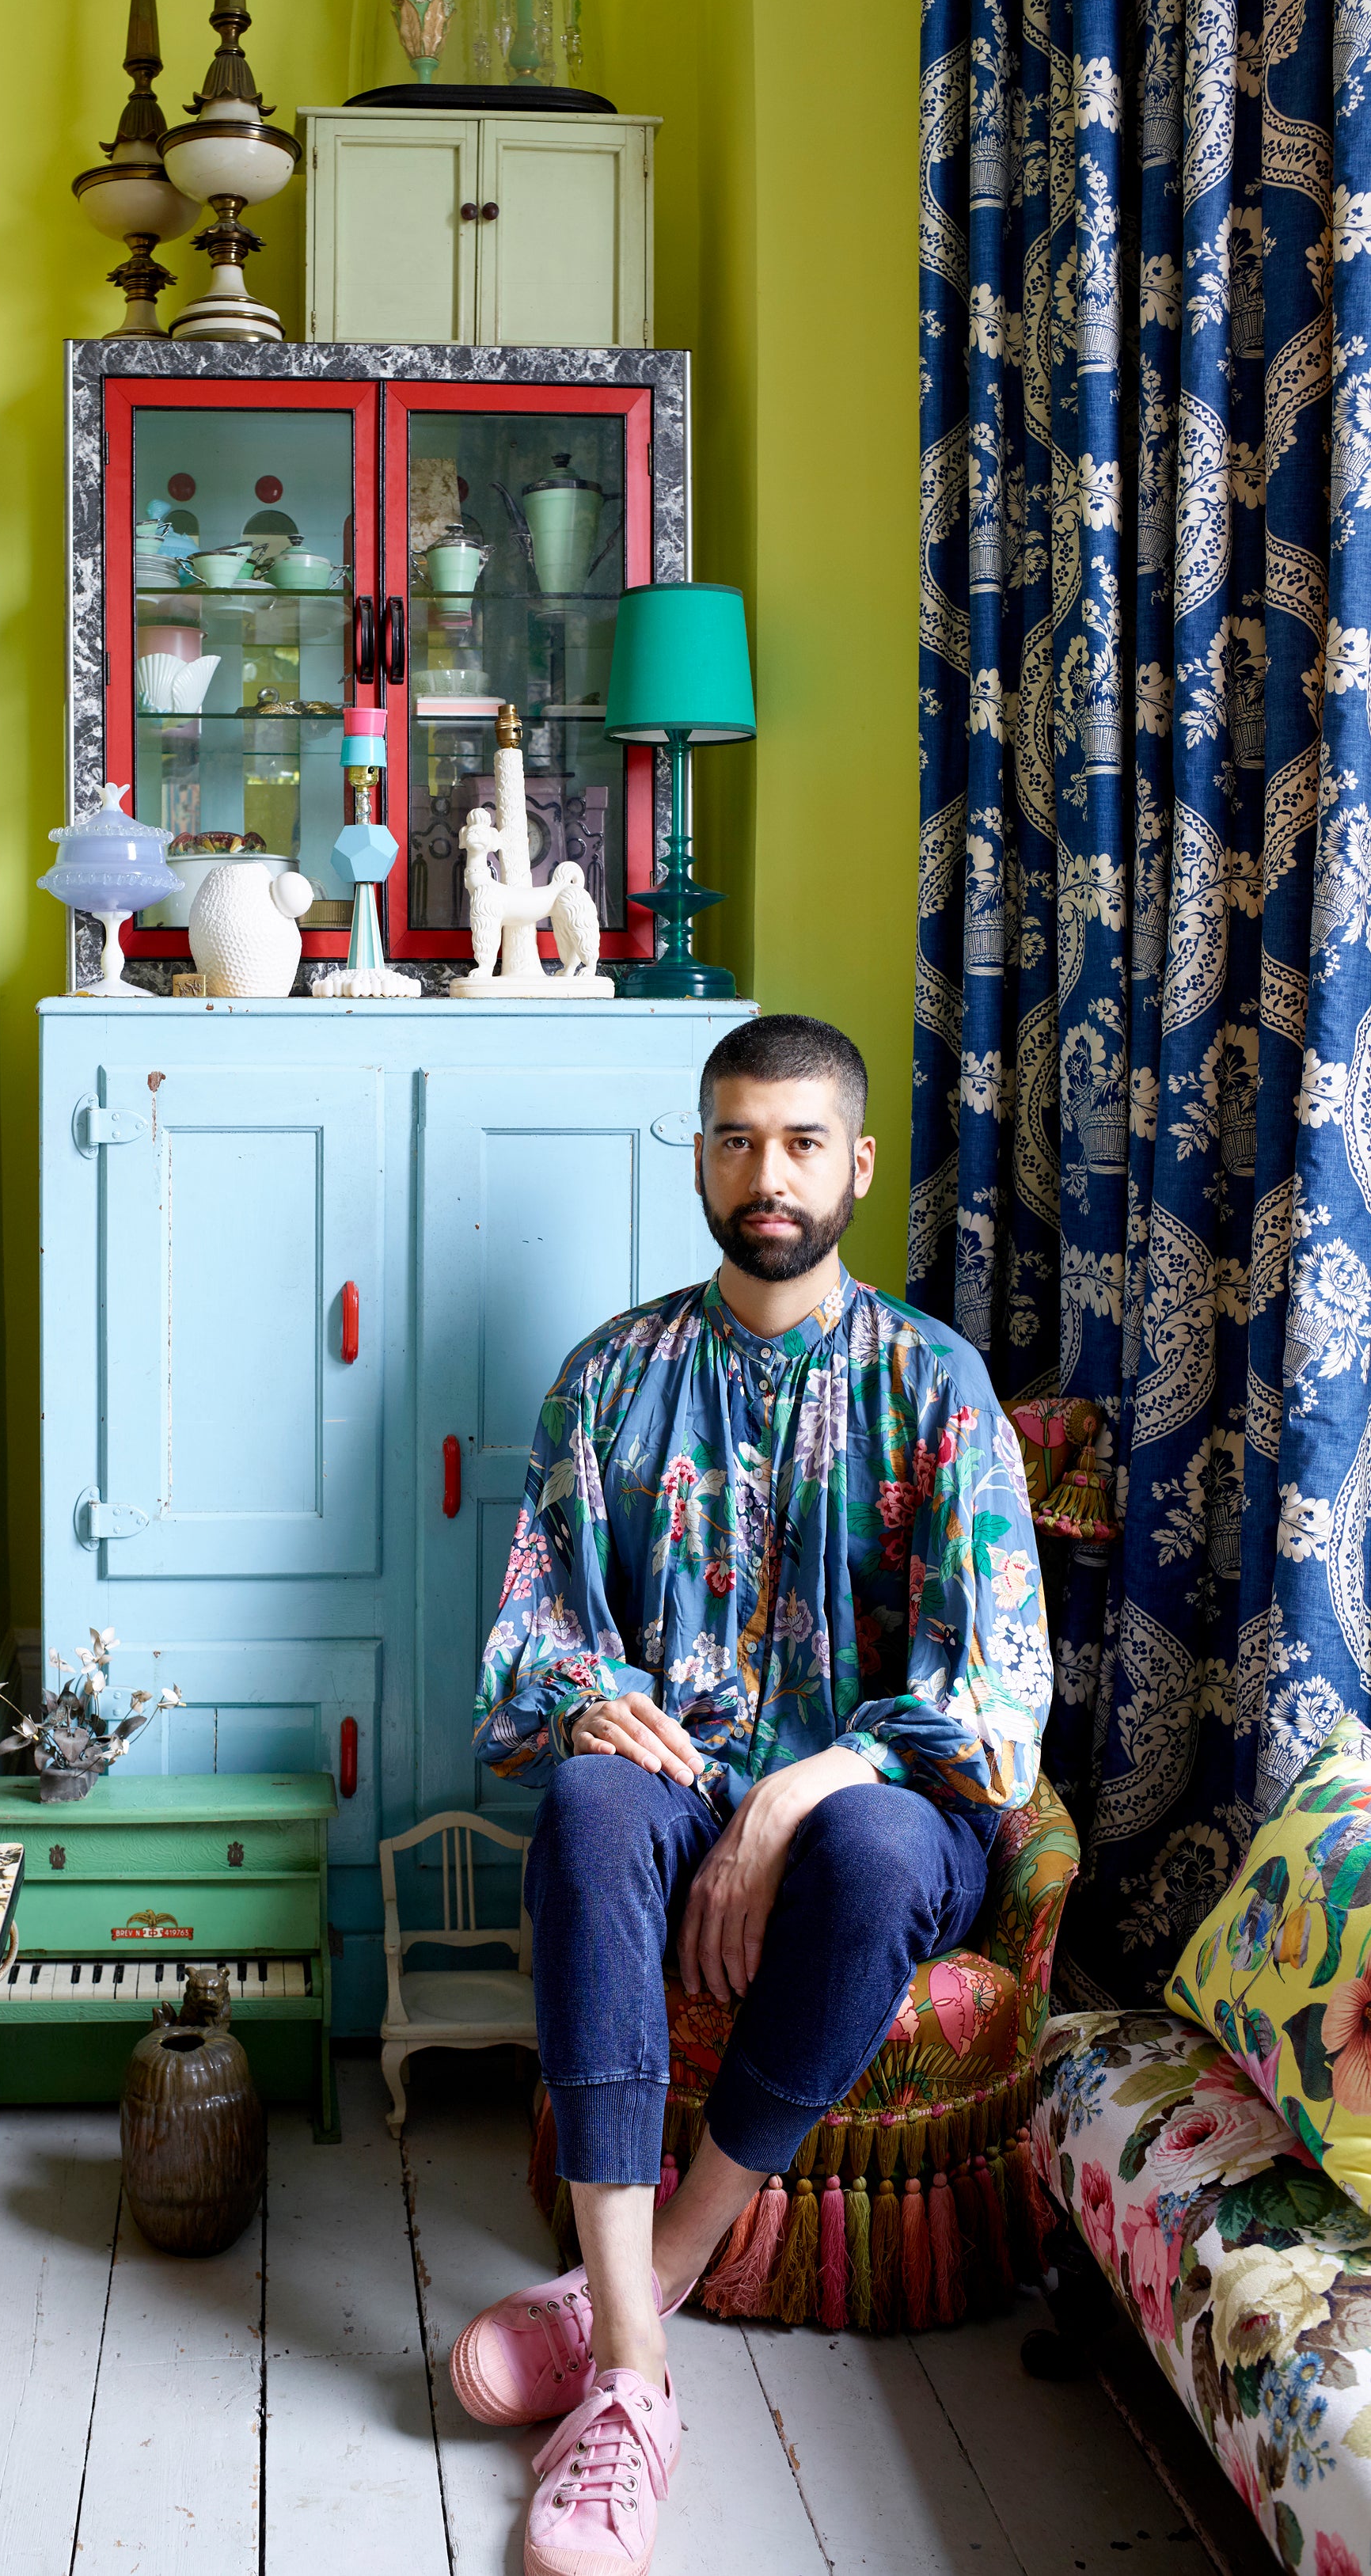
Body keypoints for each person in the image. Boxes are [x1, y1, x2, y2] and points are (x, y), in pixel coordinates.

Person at [454, 1013, 1050, 2576]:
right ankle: (632, 2372)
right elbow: (537, 1625)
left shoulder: (937, 1383)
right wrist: (584, 1695)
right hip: (680, 1775)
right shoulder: (610, 1377)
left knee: (868, 1853)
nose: (764, 1172)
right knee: (590, 1808)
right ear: (703, 1158)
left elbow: (999, 1688)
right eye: (734, 1138)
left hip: (880, 1791)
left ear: (857, 1165)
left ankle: (652, 2267)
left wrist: (799, 1791)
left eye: (799, 1142)